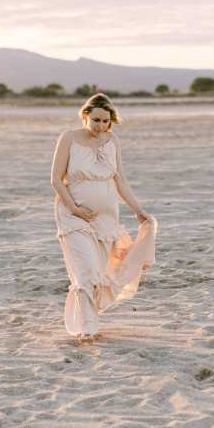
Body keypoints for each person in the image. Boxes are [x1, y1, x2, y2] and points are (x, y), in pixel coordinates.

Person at [51, 92, 157, 341]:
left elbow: (120, 180)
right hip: (73, 215)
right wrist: (75, 209)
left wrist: (138, 210)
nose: (100, 126)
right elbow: (56, 179)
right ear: (85, 116)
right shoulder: (68, 138)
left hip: (106, 218)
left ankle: (87, 320)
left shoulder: (112, 141)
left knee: (97, 275)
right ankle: (88, 329)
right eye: (96, 120)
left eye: (105, 121)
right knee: (85, 271)